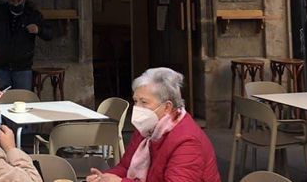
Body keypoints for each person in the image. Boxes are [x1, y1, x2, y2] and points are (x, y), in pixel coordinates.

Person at [87, 67, 220, 182]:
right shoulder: (147, 127)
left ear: (167, 107)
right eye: (135, 101)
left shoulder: (187, 141)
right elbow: (125, 167)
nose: (137, 107)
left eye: (144, 102)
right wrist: (105, 177)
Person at [0, 0, 51, 91]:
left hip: (23, 66)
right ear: (7, 0)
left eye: (19, 1)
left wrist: (39, 30)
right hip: (2, 64)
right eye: (12, 1)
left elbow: (49, 34)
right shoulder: (0, 13)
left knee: (23, 99)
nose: (16, 4)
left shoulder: (32, 14)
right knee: (3, 100)